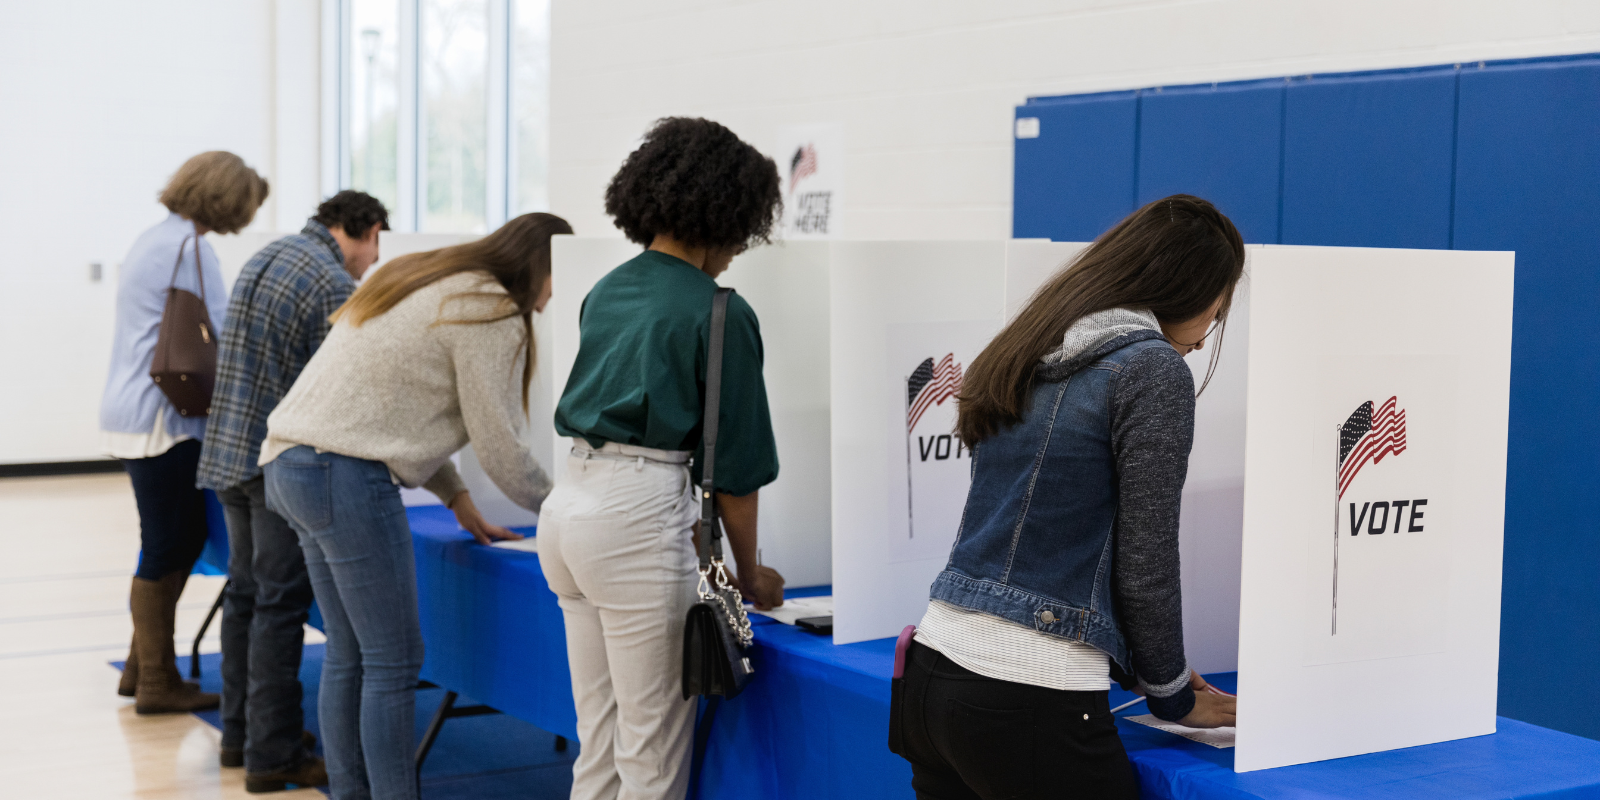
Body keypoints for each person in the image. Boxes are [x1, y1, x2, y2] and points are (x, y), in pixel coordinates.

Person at [891, 195, 1244, 799]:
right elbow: (1146, 562)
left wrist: (1162, 674)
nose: (1209, 335)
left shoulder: (1027, 348)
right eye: (1217, 309)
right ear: (1186, 288)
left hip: (932, 676)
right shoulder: (1152, 369)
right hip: (1028, 697)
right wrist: (1173, 695)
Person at [259, 211, 571, 800]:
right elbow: (500, 446)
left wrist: (455, 495)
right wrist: (566, 510)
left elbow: (392, 404)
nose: (554, 297)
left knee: (351, 652)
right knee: (395, 660)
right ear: (542, 265)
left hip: (291, 465)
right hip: (341, 474)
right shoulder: (491, 308)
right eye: (559, 279)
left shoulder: (426, 277)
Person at [541, 116, 788, 800]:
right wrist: (750, 572)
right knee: (651, 757)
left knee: (599, 741)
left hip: (567, 512)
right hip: (634, 521)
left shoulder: (608, 288)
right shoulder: (719, 312)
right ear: (729, 212)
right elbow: (736, 475)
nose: (740, 249)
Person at [195, 190, 391, 792]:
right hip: (275, 461)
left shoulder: (268, 253)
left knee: (246, 597)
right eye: (377, 240)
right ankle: (272, 757)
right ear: (356, 230)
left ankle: (239, 736)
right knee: (280, 607)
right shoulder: (331, 284)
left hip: (227, 448)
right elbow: (336, 395)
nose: (376, 259)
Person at [102, 151, 269, 714]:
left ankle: (141, 668)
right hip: (163, 421)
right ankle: (155, 682)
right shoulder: (191, 248)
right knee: (167, 544)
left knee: (174, 540)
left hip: (133, 410)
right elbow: (226, 331)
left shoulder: (155, 238)